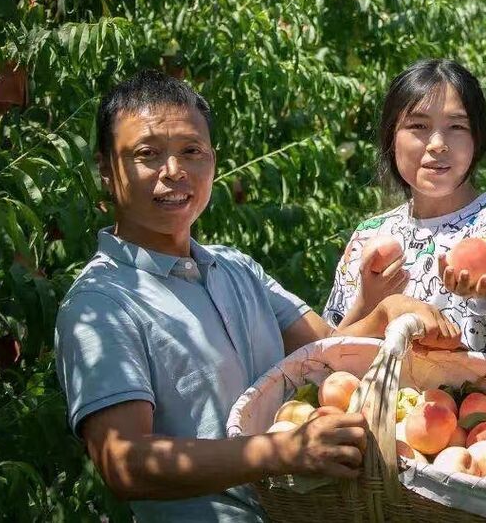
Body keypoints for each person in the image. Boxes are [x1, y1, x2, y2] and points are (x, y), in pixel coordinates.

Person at [54, 70, 460, 522]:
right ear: (106, 170)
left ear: (212, 160)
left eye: (191, 151)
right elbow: (124, 463)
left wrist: (384, 312)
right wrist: (281, 451)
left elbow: (326, 353)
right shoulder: (101, 304)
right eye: (147, 154)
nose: (174, 171)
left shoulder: (236, 268)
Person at [323, 59, 486, 354]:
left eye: (457, 126)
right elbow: (327, 354)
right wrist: (367, 302)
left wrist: (480, 279)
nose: (437, 143)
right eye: (418, 126)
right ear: (391, 137)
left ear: (477, 137)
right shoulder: (368, 235)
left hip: (479, 387)